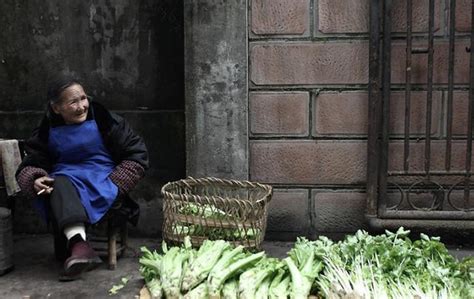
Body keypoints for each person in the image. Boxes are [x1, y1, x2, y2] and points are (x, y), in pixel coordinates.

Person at [15, 73, 149, 281]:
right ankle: (80, 247)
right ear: (56, 108)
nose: (81, 106)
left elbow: (137, 156)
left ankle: (78, 246)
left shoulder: (106, 121)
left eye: (83, 99)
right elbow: (31, 164)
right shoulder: (46, 130)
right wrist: (36, 178)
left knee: (60, 188)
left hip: (102, 181)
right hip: (64, 181)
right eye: (73, 102)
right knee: (58, 184)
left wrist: (117, 183)